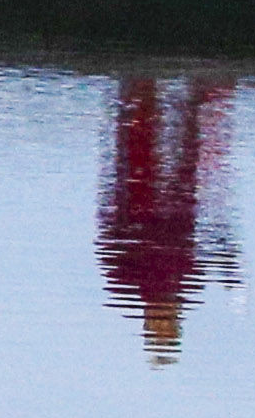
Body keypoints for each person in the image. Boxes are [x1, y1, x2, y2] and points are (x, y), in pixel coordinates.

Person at [98, 73, 238, 363]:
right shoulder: (189, 285)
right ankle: (156, 86)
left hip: (145, 206)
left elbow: (109, 243)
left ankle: (145, 86)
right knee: (173, 144)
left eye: (160, 326)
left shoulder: (123, 286)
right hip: (165, 206)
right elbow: (202, 247)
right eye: (165, 326)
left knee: (151, 142)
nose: (163, 319)